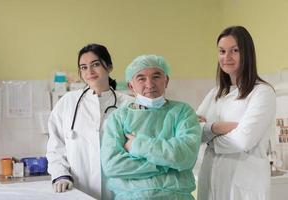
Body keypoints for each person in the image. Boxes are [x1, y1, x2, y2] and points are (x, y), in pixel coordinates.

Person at [101, 55, 201, 200]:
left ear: (166, 81)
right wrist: (165, 164)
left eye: (156, 76)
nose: (150, 84)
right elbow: (112, 165)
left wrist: (137, 145)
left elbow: (186, 156)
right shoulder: (119, 118)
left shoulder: (183, 112)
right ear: (131, 85)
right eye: (141, 78)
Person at [196, 26, 276, 200]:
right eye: (222, 51)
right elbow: (192, 131)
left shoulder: (262, 93)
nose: (227, 57)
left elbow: (242, 140)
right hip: (210, 181)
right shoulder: (215, 93)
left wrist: (208, 136)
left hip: (243, 186)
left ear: (246, 53)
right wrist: (217, 128)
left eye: (235, 50)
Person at [46, 43, 134, 200]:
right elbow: (55, 146)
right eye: (84, 67)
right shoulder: (68, 103)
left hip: (119, 190)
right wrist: (60, 175)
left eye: (96, 64)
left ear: (109, 67)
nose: (89, 72)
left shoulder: (128, 105)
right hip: (78, 190)